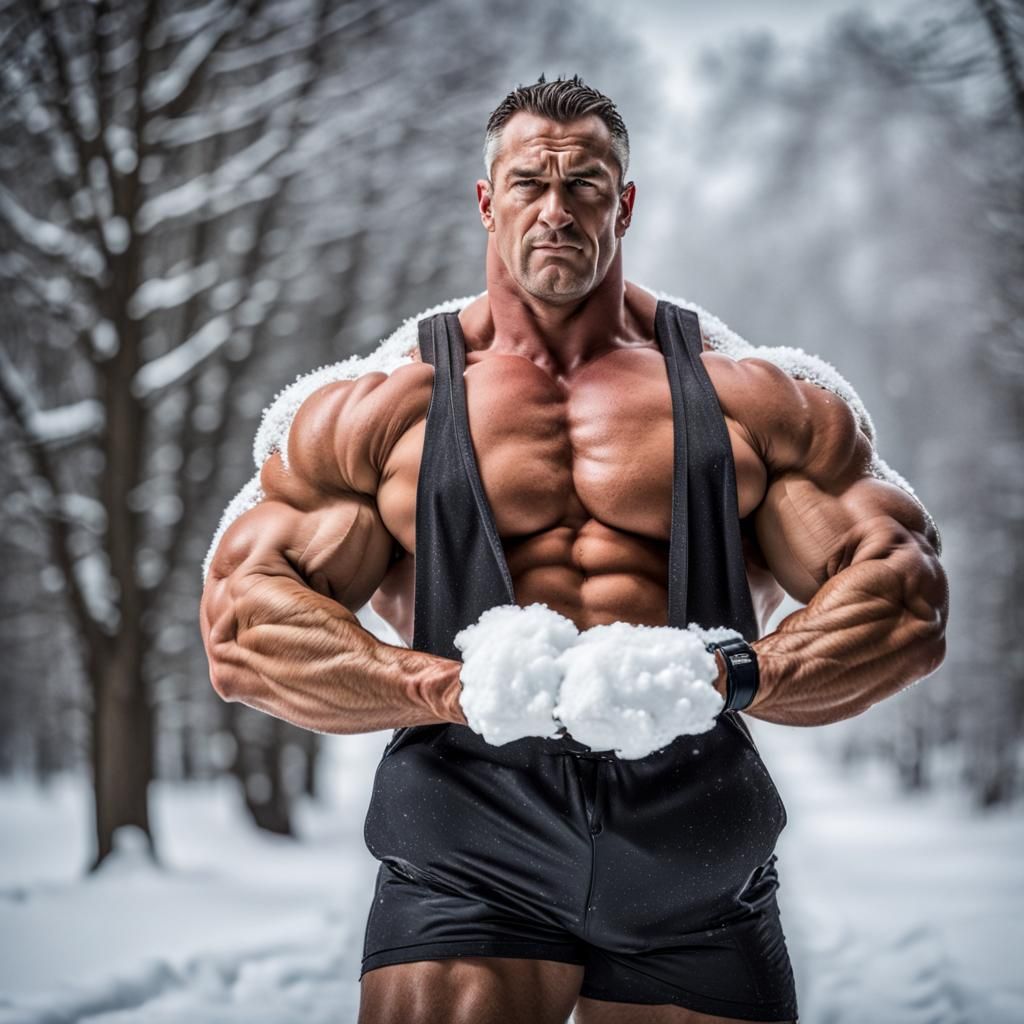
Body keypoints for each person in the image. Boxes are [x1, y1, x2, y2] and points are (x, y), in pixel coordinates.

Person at [200, 74, 949, 1024]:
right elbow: (240, 618)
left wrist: (723, 674)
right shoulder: (389, 406)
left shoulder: (749, 399)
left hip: (692, 829)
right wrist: (445, 687)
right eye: (528, 183)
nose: (556, 209)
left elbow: (907, 593)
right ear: (487, 199)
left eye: (586, 183)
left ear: (624, 201)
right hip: (471, 831)